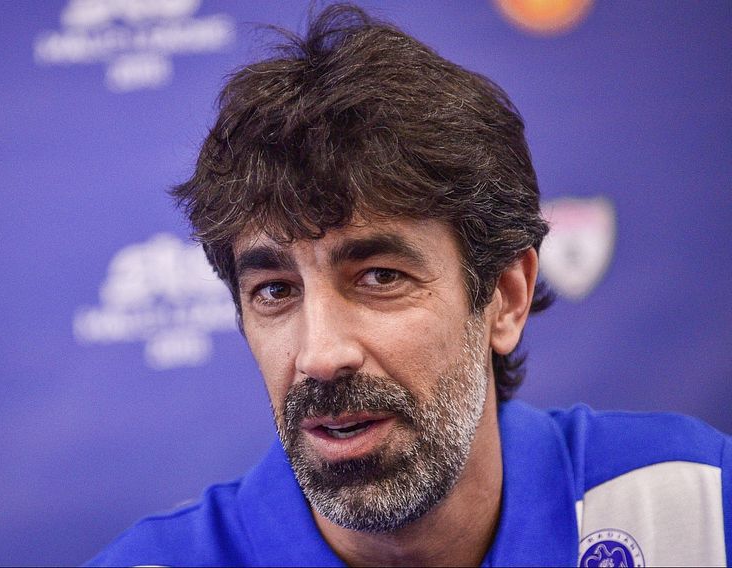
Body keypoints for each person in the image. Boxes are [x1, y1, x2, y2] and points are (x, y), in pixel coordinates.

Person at [88, 4, 731, 566]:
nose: (320, 355)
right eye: (276, 291)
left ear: (505, 298)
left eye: (379, 277)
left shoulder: (700, 509)